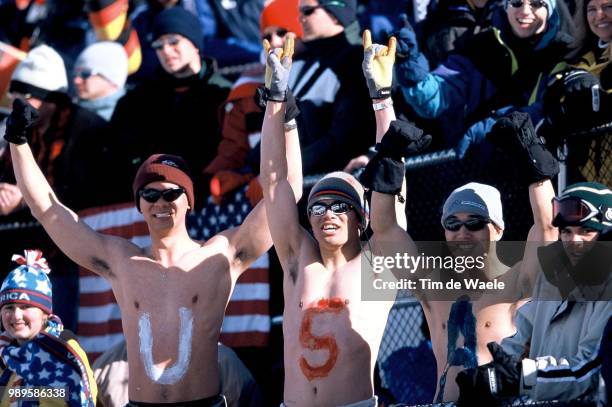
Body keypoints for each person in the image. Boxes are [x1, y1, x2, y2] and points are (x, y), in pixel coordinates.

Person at [3, 35, 302, 405]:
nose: (161, 202)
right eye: (150, 194)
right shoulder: (121, 260)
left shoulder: (220, 256)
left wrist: (283, 117)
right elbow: (46, 208)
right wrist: (17, 142)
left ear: (189, 201)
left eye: (171, 193)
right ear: (139, 205)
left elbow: (286, 192)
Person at [260, 28, 430, 405]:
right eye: (317, 207)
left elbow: (392, 189)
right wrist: (274, 103)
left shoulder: (376, 263)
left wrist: (382, 98)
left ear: (360, 218)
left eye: (340, 206)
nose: (327, 215)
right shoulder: (297, 259)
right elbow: (274, 185)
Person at [456, 182, 612, 404]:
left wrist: (520, 378)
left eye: (586, 231)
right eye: (566, 232)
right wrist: (490, 375)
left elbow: (590, 370)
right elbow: (519, 338)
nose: (573, 241)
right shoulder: (551, 282)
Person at [394, 0, 574, 152]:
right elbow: (435, 97)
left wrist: (493, 128)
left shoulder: (566, 52)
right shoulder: (479, 46)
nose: (525, 11)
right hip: (484, 171)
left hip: (544, 167)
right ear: (505, 5)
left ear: (550, 8)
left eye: (536, 3)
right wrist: (410, 68)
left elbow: (547, 110)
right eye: (516, 2)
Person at [109, 6, 231, 208]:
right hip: (152, 204)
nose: (166, 51)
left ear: (195, 44)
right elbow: (118, 158)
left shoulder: (223, 94)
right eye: (158, 45)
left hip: (209, 204)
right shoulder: (137, 102)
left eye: (174, 42)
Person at [0, 249, 97, 406]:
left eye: (25, 306)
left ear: (45, 313)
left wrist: (17, 392)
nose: (16, 315)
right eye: (9, 307)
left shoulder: (63, 350)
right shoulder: (3, 354)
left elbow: (69, 396)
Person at [73, 41, 129, 121]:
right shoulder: (72, 110)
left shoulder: (119, 122)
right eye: (75, 74)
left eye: (85, 74)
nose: (76, 80)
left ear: (111, 79)